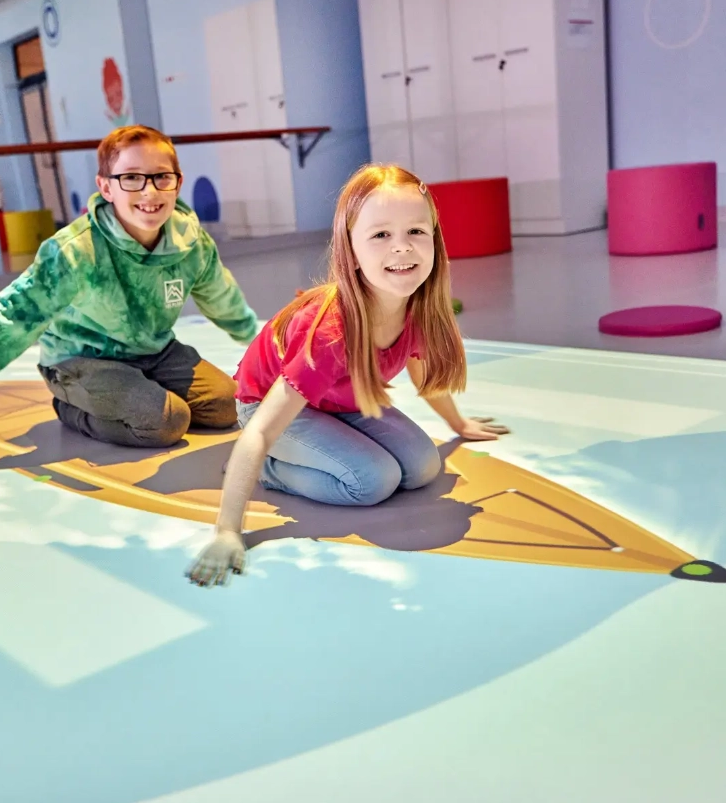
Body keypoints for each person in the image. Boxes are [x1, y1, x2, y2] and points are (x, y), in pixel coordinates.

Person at [186, 164, 509, 588]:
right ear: (351, 251)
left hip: (339, 401)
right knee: (371, 482)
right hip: (268, 408)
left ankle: (312, 450)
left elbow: (421, 372)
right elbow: (262, 430)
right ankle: (271, 471)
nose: (402, 247)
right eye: (381, 235)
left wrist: (459, 424)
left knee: (423, 467)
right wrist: (228, 531)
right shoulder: (330, 332)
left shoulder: (415, 304)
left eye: (416, 231)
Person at [0, 124, 260, 476]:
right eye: (131, 177)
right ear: (106, 187)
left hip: (155, 352)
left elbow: (222, 298)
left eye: (161, 177)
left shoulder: (191, 242)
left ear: (177, 182)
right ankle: (71, 406)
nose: (149, 190)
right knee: (165, 422)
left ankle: (137, 392)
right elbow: (5, 321)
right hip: (81, 358)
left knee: (228, 405)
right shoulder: (74, 251)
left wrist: (262, 346)